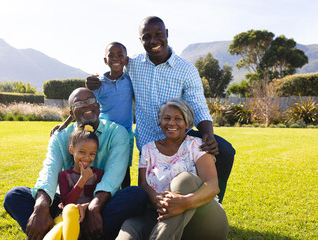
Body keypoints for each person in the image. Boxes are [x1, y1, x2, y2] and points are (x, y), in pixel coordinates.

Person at [86, 16, 235, 203]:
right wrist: (93, 81)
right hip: (148, 142)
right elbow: (113, 67)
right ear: (140, 41)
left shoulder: (186, 70)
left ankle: (213, 204)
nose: (153, 40)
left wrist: (208, 134)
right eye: (146, 37)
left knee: (225, 150)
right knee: (146, 198)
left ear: (167, 34)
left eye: (158, 34)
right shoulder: (133, 65)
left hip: (179, 138)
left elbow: (197, 104)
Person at [3, 88, 147, 240]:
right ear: (71, 113)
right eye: (79, 103)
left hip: (101, 202)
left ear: (98, 106)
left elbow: (113, 176)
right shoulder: (61, 136)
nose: (87, 106)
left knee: (136, 195)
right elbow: (49, 171)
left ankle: (63, 233)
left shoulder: (117, 133)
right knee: (14, 196)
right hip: (66, 203)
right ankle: (75, 232)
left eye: (91, 101)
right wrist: (41, 206)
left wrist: (93, 207)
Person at [117, 99, 229, 240]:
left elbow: (213, 186)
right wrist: (158, 199)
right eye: (167, 118)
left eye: (178, 119)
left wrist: (184, 203)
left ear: (187, 123)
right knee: (130, 227)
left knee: (185, 180)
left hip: (204, 222)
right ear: (160, 122)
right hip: (159, 215)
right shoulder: (148, 149)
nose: (171, 123)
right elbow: (143, 185)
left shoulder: (198, 145)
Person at [51, 42, 134, 189]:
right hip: (104, 133)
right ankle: (97, 193)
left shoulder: (130, 81)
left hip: (126, 132)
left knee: (124, 169)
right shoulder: (99, 83)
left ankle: (124, 197)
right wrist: (65, 124)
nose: (116, 58)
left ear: (126, 60)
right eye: (111, 55)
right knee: (103, 165)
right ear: (105, 60)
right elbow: (83, 106)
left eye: (120, 55)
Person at [44, 124, 104, 240]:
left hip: (86, 217)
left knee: (62, 227)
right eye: (82, 152)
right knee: (65, 219)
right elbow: (68, 202)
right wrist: (83, 179)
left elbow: (100, 199)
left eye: (92, 154)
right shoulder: (64, 175)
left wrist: (86, 206)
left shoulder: (98, 175)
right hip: (66, 217)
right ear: (72, 150)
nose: (87, 158)